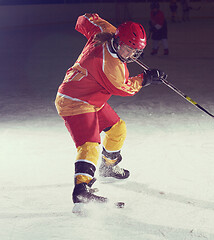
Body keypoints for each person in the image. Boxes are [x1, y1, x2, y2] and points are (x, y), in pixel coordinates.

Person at [55, 13, 167, 205]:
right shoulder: (111, 68)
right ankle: (82, 189)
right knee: (89, 144)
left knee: (118, 129)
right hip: (74, 100)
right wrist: (145, 79)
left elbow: (82, 19)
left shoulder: (105, 31)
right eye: (128, 49)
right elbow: (126, 88)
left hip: (92, 98)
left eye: (135, 51)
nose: (131, 55)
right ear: (118, 41)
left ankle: (108, 166)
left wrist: (98, 26)